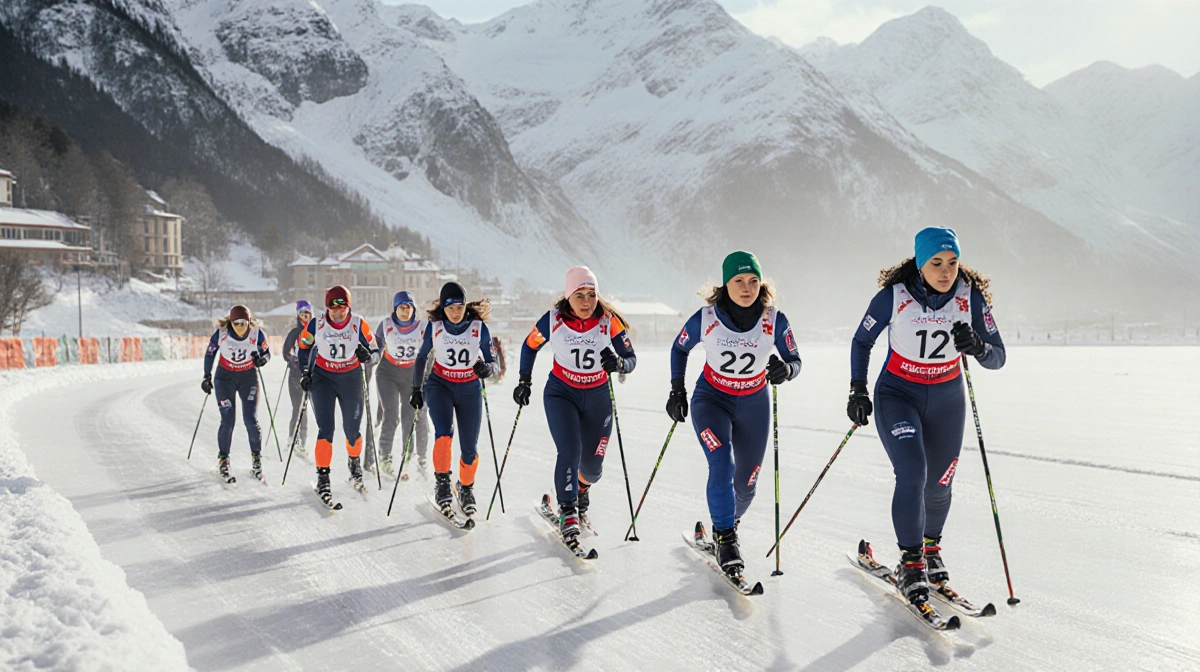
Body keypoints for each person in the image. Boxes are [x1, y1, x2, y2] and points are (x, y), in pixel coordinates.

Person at [847, 227, 1005, 613]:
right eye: (936, 263)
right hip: (898, 396)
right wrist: (857, 389)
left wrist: (978, 347)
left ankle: (931, 550)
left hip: (947, 399)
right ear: (920, 263)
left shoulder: (970, 298)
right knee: (913, 472)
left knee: (940, 482)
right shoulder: (894, 297)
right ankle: (911, 561)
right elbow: (861, 341)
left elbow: (998, 356)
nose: (946, 271)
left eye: (952, 262)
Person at [667, 251, 802, 579]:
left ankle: (726, 520)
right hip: (712, 401)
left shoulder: (774, 320)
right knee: (722, 463)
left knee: (746, 486)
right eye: (739, 281)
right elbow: (679, 348)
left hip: (754, 405)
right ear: (726, 284)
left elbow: (795, 360)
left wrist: (785, 370)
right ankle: (726, 538)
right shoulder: (707, 317)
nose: (747, 287)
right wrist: (677, 391)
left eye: (753, 281)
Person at [513, 267, 637, 544]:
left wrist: (618, 364)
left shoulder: (608, 321)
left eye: (591, 295)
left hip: (597, 397)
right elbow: (529, 346)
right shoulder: (553, 320)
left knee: (593, 469)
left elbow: (630, 357)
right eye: (579, 295)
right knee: (570, 450)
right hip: (561, 393)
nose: (585, 302)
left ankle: (580, 489)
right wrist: (524, 381)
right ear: (568, 297)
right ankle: (568, 509)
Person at [410, 282, 501, 517]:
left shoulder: (479, 329)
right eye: (450, 308)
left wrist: (486, 370)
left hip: (469, 389)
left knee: (470, 448)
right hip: (440, 385)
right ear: (443, 309)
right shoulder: (435, 327)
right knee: (443, 434)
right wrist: (416, 389)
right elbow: (421, 359)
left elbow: (493, 363)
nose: (456, 312)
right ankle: (442, 484)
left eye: (459, 307)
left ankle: (465, 488)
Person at [296, 286, 378, 505]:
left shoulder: (359, 323)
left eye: (342, 309)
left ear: (348, 307)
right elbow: (302, 347)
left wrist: (367, 355)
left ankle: (354, 466)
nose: (338, 313)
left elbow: (376, 350)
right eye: (333, 309)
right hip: (323, 379)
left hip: (350, 379)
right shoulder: (316, 324)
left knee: (352, 430)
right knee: (326, 429)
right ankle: (323, 477)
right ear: (327, 307)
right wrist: (305, 372)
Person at [202, 305, 271, 482]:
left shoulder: (256, 334)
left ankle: (256, 460)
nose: (240, 327)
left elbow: (267, 353)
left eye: (244, 323)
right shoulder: (222, 333)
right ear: (230, 322)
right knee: (228, 419)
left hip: (248, 378)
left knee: (250, 419)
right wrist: (207, 376)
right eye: (236, 323)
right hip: (225, 378)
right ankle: (223, 459)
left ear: (249, 322)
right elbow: (210, 354)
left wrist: (261, 360)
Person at [371, 291, 431, 476]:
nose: (405, 312)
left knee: (409, 416)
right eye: (401, 308)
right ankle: (385, 457)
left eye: (408, 307)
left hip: (412, 373)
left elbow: (433, 349)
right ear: (395, 309)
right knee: (391, 414)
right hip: (388, 372)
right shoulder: (386, 325)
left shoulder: (422, 326)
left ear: (413, 309)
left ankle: (409, 456)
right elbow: (376, 346)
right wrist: (371, 355)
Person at [281, 300, 313, 457]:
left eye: (307, 313)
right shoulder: (294, 333)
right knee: (298, 407)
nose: (305, 316)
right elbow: (285, 352)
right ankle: (294, 438)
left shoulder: (316, 333)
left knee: (305, 407)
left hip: (311, 376)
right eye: (302, 313)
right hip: (295, 374)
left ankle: (302, 440)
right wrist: (291, 359)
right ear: (298, 315)